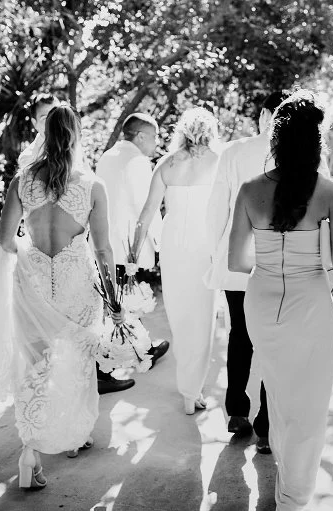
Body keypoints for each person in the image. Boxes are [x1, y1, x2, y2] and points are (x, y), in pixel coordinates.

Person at [0, 105, 122, 489]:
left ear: (44, 134)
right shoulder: (93, 186)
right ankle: (74, 436)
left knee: (34, 367)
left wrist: (32, 257)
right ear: (78, 135)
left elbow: (4, 242)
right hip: (77, 285)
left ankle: (29, 452)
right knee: (77, 363)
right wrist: (113, 299)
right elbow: (103, 251)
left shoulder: (22, 181)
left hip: (31, 284)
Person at [228, 90, 333, 510]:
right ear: (316, 143)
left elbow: (236, 261)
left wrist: (271, 259)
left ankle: (286, 478)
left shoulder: (249, 191)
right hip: (311, 304)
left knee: (279, 396)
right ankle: (294, 495)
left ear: (276, 141)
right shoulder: (332, 192)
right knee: (310, 404)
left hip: (262, 303)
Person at [206, 91, 288, 453]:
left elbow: (216, 210)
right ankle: (267, 427)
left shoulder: (234, 151)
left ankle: (237, 410)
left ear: (266, 115)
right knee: (275, 339)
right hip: (280, 261)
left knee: (241, 332)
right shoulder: (305, 155)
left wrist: (215, 251)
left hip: (237, 258)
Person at [134, 108, 220, 415]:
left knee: (180, 316)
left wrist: (134, 251)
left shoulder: (166, 164)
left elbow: (146, 215)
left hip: (173, 247)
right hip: (204, 246)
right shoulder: (218, 162)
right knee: (203, 316)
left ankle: (188, 390)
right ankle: (192, 391)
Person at [96, 113, 170, 391]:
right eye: (154, 136)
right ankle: (105, 368)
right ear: (140, 136)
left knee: (118, 301)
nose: (156, 143)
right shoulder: (138, 162)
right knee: (126, 301)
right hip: (129, 245)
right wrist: (160, 243)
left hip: (105, 243)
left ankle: (142, 349)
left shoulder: (107, 157)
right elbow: (146, 209)